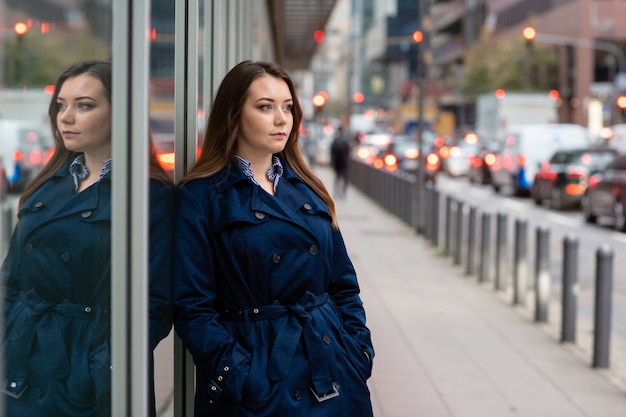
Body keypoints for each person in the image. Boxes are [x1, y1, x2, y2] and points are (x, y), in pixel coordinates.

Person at [173, 60, 374, 416]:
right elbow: (192, 307)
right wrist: (241, 376)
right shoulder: (202, 195)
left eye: (288, 107)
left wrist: (358, 350)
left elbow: (343, 285)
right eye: (265, 107)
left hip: (330, 360)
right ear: (233, 114)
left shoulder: (308, 187)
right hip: (258, 370)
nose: (282, 118)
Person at [0, 60, 174, 417]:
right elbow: (11, 280)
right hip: (24, 367)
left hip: (96, 381)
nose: (66, 117)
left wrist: (103, 367)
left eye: (84, 105)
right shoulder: (46, 185)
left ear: (122, 112)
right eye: (62, 105)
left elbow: (156, 303)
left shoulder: (149, 195)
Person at [330, 125, 351, 198]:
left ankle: (336, 192)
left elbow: (331, 151)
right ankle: (343, 193)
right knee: (345, 178)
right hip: (344, 162)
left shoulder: (336, 139)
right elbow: (348, 151)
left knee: (336, 177)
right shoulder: (346, 140)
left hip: (337, 162)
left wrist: (332, 161)